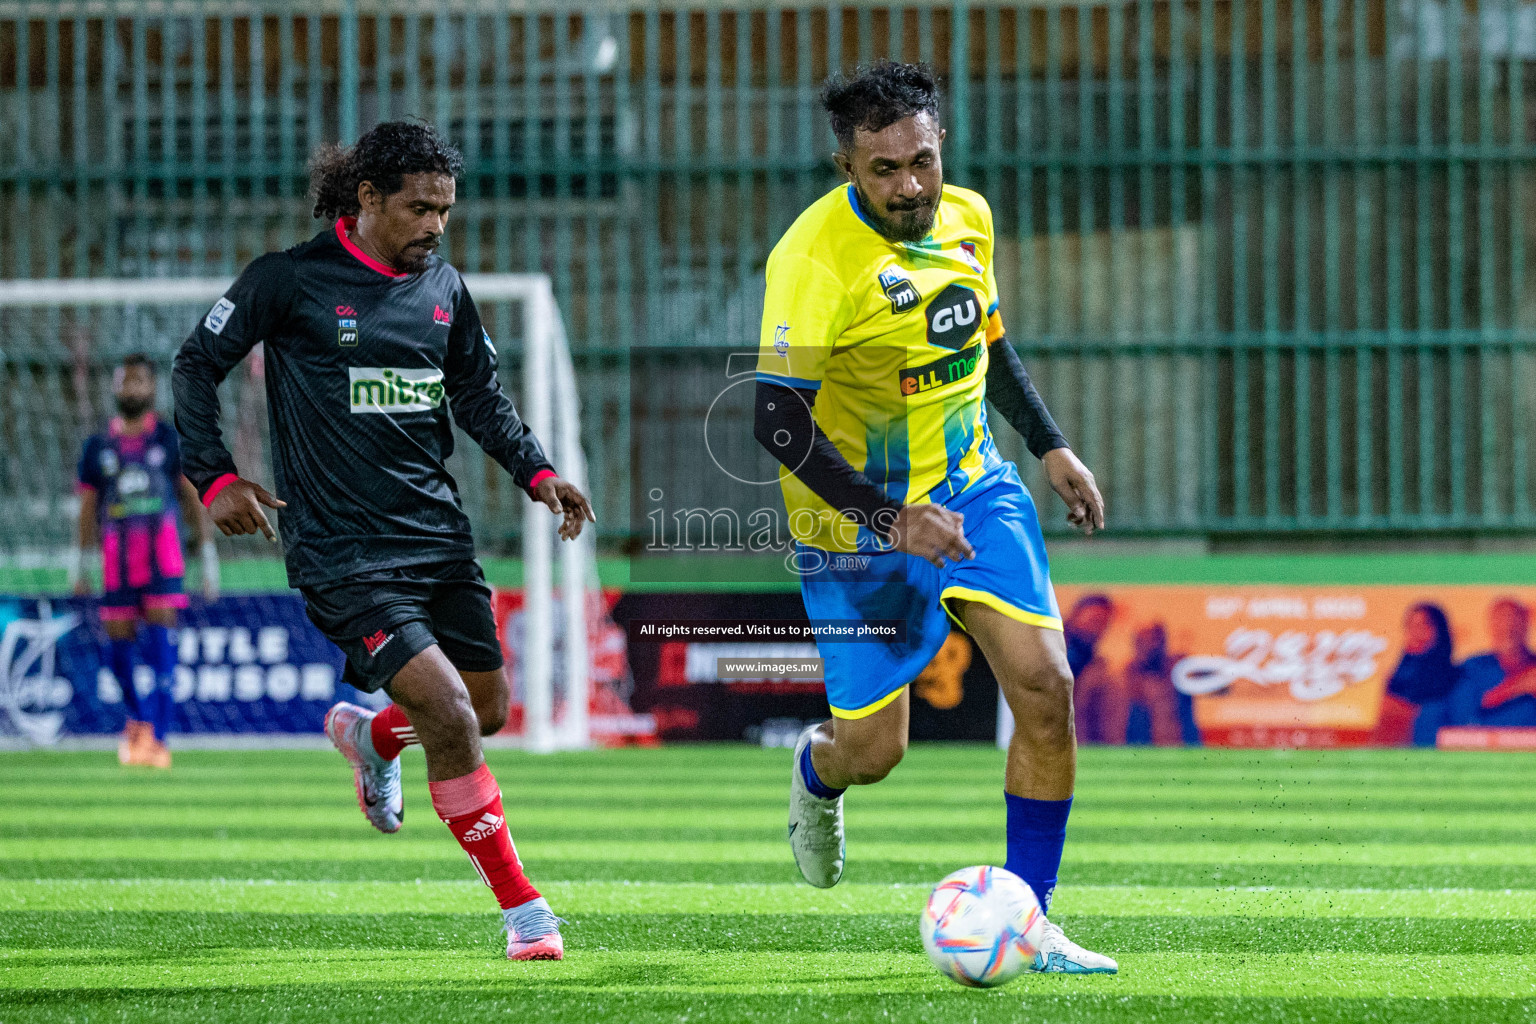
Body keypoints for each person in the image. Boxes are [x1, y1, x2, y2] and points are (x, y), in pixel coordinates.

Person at [172, 121, 595, 961]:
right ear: (367, 199)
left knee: (486, 712)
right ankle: (525, 913)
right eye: (418, 208)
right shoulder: (288, 280)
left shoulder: (443, 287)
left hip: (437, 536)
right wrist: (215, 477)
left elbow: (479, 398)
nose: (435, 225)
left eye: (445, 209)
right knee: (448, 711)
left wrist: (538, 474)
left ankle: (372, 737)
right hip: (342, 550)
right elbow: (194, 367)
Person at [754, 62, 1115, 974]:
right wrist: (885, 519)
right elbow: (775, 418)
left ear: (940, 143)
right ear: (847, 167)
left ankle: (1031, 922)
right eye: (886, 171)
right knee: (876, 752)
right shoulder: (810, 262)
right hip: (856, 530)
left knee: (1046, 688)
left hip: (975, 489)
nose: (911, 186)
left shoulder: (970, 217)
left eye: (923, 161)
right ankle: (817, 772)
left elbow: (983, 341)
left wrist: (1050, 445)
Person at [72, 353, 217, 768]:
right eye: (124, 381)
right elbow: (87, 508)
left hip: (163, 562)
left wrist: (207, 557)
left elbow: (190, 497)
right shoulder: (97, 447)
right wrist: (79, 566)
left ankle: (158, 739)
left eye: (139, 381)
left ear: (151, 388)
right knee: (116, 658)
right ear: (114, 387)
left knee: (160, 653)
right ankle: (137, 723)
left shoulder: (169, 440)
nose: (131, 388)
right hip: (116, 563)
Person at [1372, 603, 1457, 747]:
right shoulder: (1403, 667)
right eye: (1411, 625)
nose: (1416, 632)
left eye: (1424, 625)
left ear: (1438, 630)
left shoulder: (1453, 674)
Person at [1449, 599, 1536, 728]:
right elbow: (1461, 714)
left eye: (1514, 619)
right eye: (1501, 620)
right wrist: (1517, 687)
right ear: (1490, 626)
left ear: (1526, 624)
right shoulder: (1473, 666)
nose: (1508, 627)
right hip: (1484, 744)